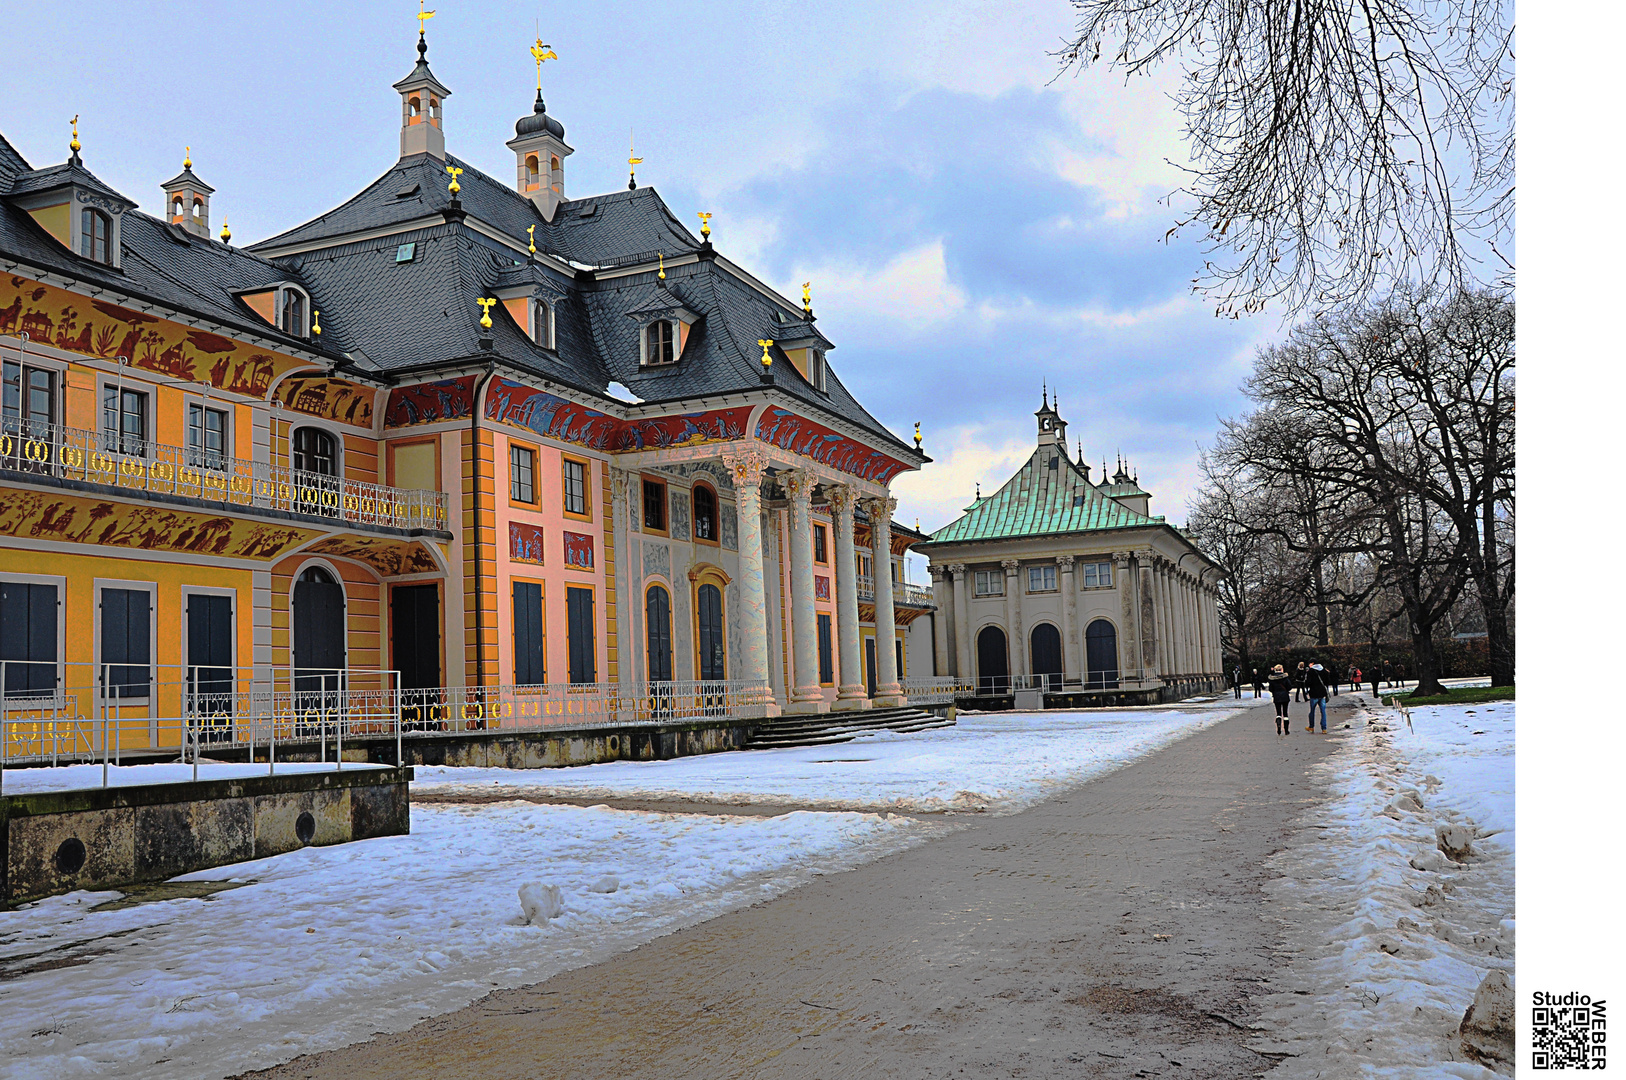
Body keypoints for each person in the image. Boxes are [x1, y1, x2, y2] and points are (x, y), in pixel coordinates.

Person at [1304, 660, 1331, 732]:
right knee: (1323, 711)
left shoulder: (1311, 671)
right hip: (1322, 693)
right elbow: (1327, 681)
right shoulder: (1324, 670)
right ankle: (1324, 728)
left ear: (1312, 663)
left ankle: (1311, 727)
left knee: (1312, 711)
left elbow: (1308, 683)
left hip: (1314, 693)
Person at [1268, 664, 1293, 734]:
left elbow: (1270, 689)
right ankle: (1286, 730)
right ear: (1282, 669)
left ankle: (1278, 725)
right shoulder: (1285, 678)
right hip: (1285, 696)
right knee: (1285, 713)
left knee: (1278, 712)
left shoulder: (1272, 679)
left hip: (1276, 697)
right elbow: (1289, 687)